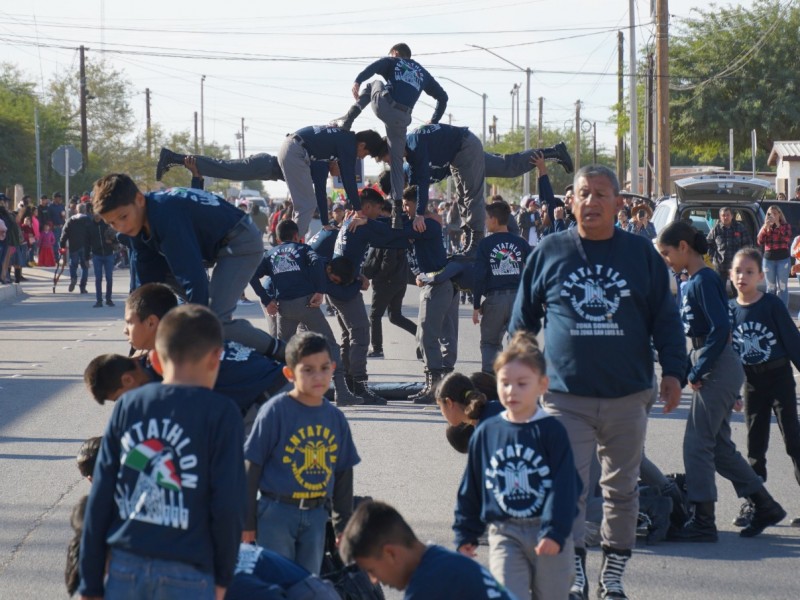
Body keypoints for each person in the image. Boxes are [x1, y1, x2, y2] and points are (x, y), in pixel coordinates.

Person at [508, 165, 686, 600]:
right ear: (570, 201)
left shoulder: (641, 254)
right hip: (565, 396)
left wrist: (675, 373)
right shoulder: (549, 251)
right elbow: (522, 323)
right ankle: (575, 574)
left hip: (629, 394)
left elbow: (665, 319)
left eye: (601, 194)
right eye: (583, 194)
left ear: (618, 203)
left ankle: (612, 576)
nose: (591, 203)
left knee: (621, 491)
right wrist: (515, 379)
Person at [78, 305, 246, 600]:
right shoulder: (222, 413)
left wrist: (90, 583)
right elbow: (228, 504)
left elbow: (102, 495)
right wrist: (223, 576)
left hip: (126, 565)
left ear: (154, 358)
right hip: (190, 570)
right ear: (216, 356)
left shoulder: (130, 406)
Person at [656, 221, 785, 542]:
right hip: (711, 360)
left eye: (667, 253)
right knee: (719, 448)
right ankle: (764, 504)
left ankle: (703, 522)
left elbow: (719, 331)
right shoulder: (695, 280)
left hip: (718, 364)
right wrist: (686, 369)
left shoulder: (703, 280)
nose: (666, 259)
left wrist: (697, 372)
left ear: (684, 247)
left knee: (697, 445)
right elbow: (700, 337)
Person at [453, 332, 580, 600]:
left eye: (522, 383)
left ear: (542, 385)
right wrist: (466, 532)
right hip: (505, 532)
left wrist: (555, 531)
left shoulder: (551, 431)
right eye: (505, 383)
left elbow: (566, 486)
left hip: (547, 531)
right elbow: (472, 486)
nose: (512, 391)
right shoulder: (488, 432)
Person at [92, 173, 278, 355]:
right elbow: (145, 286)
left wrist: (199, 327)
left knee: (214, 321)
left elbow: (193, 277)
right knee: (180, 308)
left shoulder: (165, 215)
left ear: (139, 199)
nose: (121, 227)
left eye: (123, 217)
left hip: (240, 239)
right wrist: (138, 344)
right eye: (112, 223)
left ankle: (284, 355)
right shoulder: (137, 225)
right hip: (214, 246)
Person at [242, 332, 361, 574]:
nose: (318, 376)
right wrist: (247, 520)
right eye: (307, 370)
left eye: (324, 368)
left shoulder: (335, 417)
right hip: (276, 513)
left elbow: (343, 472)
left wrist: (343, 524)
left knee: (308, 584)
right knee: (277, 582)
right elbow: (252, 465)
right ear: (289, 373)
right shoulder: (274, 411)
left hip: (317, 515)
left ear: (333, 368)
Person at [335, 42, 448, 229]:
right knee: (396, 164)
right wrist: (434, 121)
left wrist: (358, 80)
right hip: (402, 119)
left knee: (374, 84)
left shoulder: (394, 61)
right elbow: (443, 98)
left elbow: (375, 67)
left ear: (395, 53)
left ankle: (348, 120)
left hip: (385, 105)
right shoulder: (422, 72)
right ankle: (396, 210)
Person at [254, 219, 363, 406]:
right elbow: (317, 263)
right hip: (306, 306)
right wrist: (320, 291)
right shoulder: (303, 250)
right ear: (297, 236)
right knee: (330, 346)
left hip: (284, 308)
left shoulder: (270, 254)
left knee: (281, 350)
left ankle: (274, 394)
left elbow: (252, 275)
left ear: (278, 238)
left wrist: (267, 300)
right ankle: (342, 393)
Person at [728, 247, 800, 528]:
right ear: (731, 275)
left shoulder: (771, 305)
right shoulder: (730, 310)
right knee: (755, 446)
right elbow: (730, 355)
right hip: (752, 383)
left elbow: (793, 341)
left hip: (779, 377)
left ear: (760, 275)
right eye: (738, 271)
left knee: (794, 440)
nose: (742, 276)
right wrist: (733, 390)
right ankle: (755, 503)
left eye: (749, 272)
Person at [340, 500, 514, 600]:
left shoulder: (427, 588)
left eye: (372, 570)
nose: (373, 580)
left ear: (390, 553)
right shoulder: (443, 561)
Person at [402, 187, 459, 404]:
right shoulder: (421, 224)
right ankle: (436, 385)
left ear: (418, 204)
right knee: (431, 335)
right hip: (433, 283)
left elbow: (399, 234)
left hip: (438, 286)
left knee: (428, 336)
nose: (405, 209)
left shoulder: (427, 224)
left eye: (408, 204)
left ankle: (435, 387)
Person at [277, 126, 383, 238]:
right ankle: (292, 247)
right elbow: (348, 178)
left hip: (292, 148)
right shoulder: (348, 143)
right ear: (362, 145)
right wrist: (358, 211)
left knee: (304, 206)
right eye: (365, 154)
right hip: (296, 151)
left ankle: (291, 242)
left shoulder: (326, 151)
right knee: (307, 205)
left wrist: (325, 223)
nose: (361, 158)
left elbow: (320, 188)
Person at [472, 200, 530, 373]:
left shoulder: (485, 244)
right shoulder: (520, 242)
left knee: (490, 343)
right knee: (518, 344)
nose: (485, 222)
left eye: (486, 218)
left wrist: (476, 305)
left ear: (494, 220)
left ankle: (490, 384)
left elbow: (479, 276)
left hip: (494, 300)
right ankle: (517, 380)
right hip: (518, 300)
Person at [436, 371, 504, 453]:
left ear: (449, 402)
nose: (442, 413)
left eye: (440, 406)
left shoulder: (490, 419)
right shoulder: (480, 422)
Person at [706, 206, 753, 296]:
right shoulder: (716, 229)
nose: (725, 217)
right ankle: (721, 308)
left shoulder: (740, 228)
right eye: (723, 215)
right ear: (720, 217)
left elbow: (748, 244)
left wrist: (743, 259)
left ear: (732, 216)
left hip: (737, 266)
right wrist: (713, 257)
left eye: (727, 215)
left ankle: (737, 308)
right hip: (720, 266)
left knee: (738, 291)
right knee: (719, 291)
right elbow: (708, 244)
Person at [756, 204, 792, 306]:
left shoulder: (785, 226)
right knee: (770, 287)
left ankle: (782, 310)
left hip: (783, 259)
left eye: (775, 214)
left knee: (782, 287)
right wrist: (765, 228)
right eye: (770, 214)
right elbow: (759, 241)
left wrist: (778, 225)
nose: (772, 216)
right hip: (769, 260)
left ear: (779, 215)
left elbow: (787, 239)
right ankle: (770, 310)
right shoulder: (765, 226)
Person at [59, 202, 91, 293]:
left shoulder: (70, 220)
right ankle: (82, 287)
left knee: (73, 264)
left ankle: (73, 278)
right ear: (85, 210)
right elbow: (92, 234)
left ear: (76, 210)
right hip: (85, 246)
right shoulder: (88, 220)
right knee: (85, 267)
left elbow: (64, 234)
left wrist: (62, 245)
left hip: (73, 246)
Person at [87, 209, 116, 307]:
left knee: (109, 277)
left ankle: (109, 299)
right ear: (93, 214)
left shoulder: (107, 224)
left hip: (108, 254)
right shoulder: (90, 226)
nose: (97, 215)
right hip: (97, 255)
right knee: (98, 278)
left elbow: (116, 237)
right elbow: (87, 243)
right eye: (95, 213)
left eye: (99, 213)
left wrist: (112, 242)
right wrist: (86, 258)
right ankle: (99, 300)